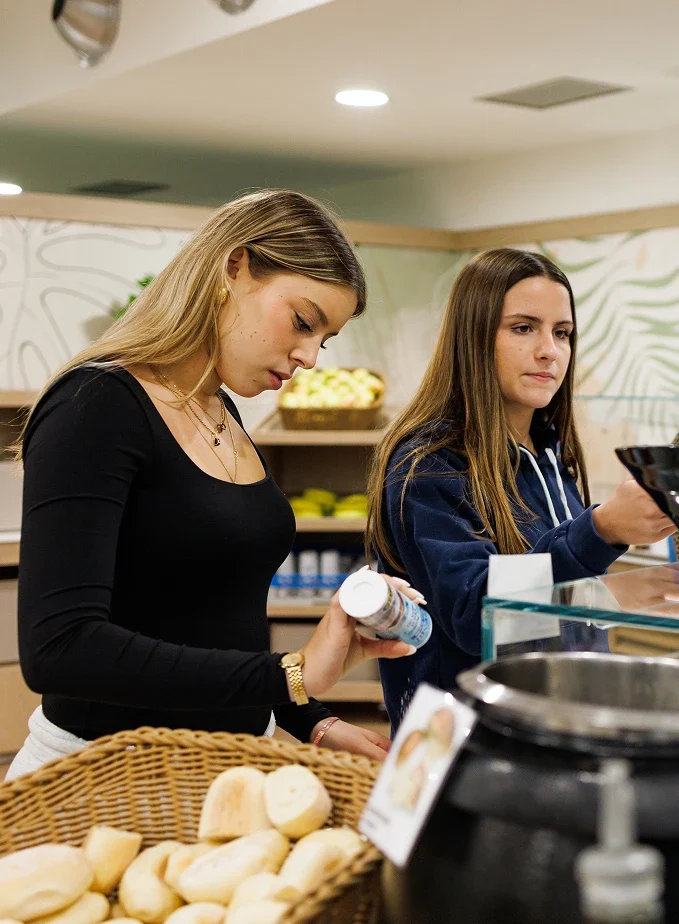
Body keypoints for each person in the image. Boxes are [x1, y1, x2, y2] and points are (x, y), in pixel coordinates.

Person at [8, 189, 418, 780]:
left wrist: (312, 721)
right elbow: (60, 650)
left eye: (322, 340)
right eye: (303, 322)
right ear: (235, 266)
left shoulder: (220, 407)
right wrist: (294, 672)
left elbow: (216, 620)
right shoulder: (96, 405)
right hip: (105, 777)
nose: (308, 356)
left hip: (228, 768)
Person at [366, 248, 676, 732]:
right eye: (523, 328)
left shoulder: (550, 451)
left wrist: (609, 596)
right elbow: (475, 613)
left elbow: (544, 594)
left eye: (562, 332)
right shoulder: (429, 464)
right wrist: (601, 530)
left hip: (560, 721)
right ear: (473, 337)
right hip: (470, 745)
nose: (549, 350)